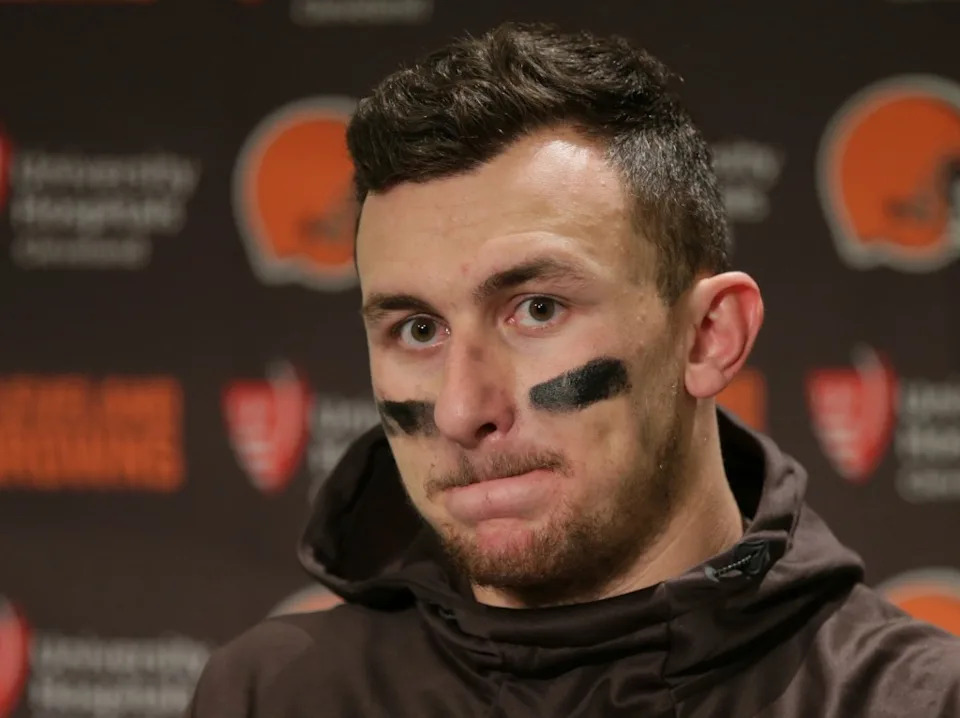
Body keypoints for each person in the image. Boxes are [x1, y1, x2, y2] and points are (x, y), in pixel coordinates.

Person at [186, 22, 960, 717]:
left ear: (708, 337)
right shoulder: (273, 696)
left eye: (537, 310)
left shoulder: (914, 703)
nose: (461, 409)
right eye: (418, 328)